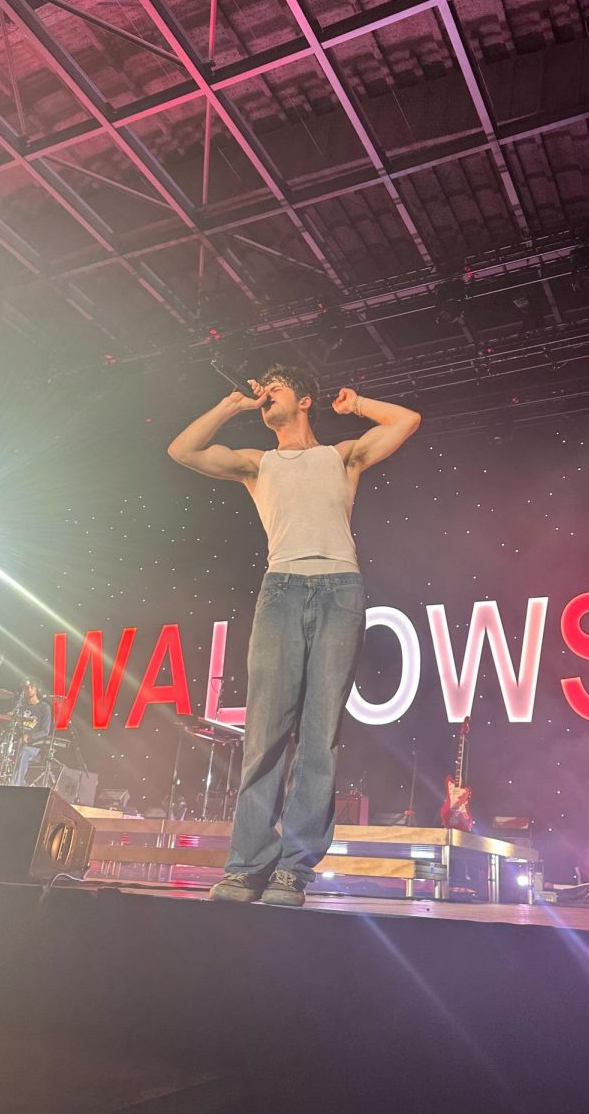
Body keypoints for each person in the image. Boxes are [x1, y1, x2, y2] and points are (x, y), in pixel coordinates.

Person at [168, 365, 420, 905]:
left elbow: (407, 419)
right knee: (265, 734)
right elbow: (183, 451)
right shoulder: (256, 465)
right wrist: (230, 406)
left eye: (275, 384)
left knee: (319, 737)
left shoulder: (342, 455)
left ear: (305, 401)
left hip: (339, 589)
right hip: (281, 588)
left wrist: (356, 405)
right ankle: (246, 866)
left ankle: (293, 870)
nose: (265, 392)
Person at [9, 678, 53, 786]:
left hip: (34, 745)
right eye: (26, 687)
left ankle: (15, 786)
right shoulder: (20, 706)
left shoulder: (44, 708)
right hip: (16, 742)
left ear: (36, 689)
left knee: (24, 752)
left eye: (32, 687)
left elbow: (45, 731)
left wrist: (29, 736)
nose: (29, 689)